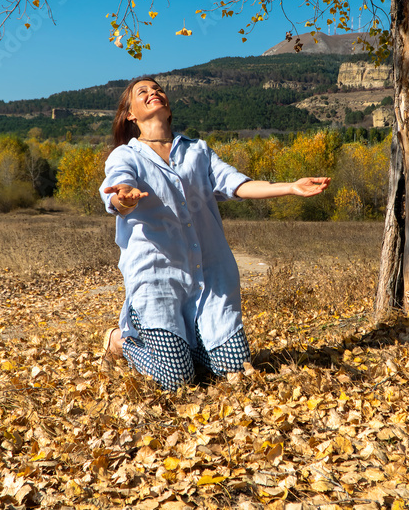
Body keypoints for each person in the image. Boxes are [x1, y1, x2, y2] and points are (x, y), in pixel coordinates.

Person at [98, 76, 330, 390]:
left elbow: (238, 184)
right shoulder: (126, 155)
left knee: (232, 371)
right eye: (143, 92)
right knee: (176, 381)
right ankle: (121, 341)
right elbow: (118, 189)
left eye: (158, 89)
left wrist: (290, 187)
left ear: (167, 105)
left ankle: (187, 350)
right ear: (130, 115)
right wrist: (123, 197)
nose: (154, 93)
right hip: (156, 277)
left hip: (210, 275)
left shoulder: (197, 151)